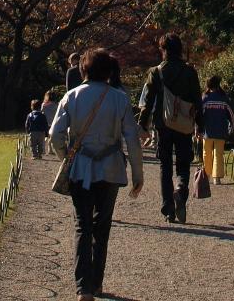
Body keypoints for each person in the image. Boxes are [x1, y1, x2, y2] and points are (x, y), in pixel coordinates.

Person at [51, 47, 144, 301]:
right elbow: (132, 139)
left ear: (83, 69)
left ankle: (83, 288)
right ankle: (97, 283)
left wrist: (66, 157)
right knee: (102, 226)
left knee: (82, 225)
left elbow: (55, 135)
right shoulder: (119, 98)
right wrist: (138, 174)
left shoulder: (71, 96)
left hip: (80, 168)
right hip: (111, 167)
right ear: (108, 71)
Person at [138, 33, 202, 224]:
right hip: (184, 123)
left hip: (163, 124)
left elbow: (148, 101)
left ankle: (168, 209)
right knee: (183, 162)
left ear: (163, 49)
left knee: (165, 165)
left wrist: (142, 124)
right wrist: (200, 124)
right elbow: (197, 100)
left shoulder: (156, 72)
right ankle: (181, 189)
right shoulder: (190, 71)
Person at [200, 75, 234, 184]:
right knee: (218, 154)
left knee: (206, 154)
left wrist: (197, 129)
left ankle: (206, 175)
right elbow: (231, 114)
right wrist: (232, 126)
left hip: (207, 132)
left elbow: (199, 115)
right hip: (221, 131)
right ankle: (217, 178)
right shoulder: (224, 98)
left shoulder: (205, 98)